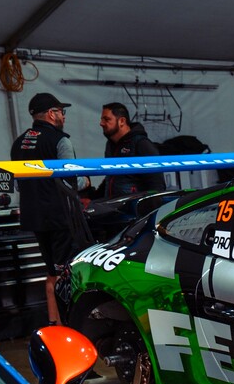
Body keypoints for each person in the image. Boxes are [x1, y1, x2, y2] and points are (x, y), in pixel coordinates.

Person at [10, 92, 91, 326]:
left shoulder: (19, 143)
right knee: (68, 273)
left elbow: (17, 183)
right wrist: (88, 180)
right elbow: (71, 181)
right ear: (51, 114)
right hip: (60, 217)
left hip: (34, 217)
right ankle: (73, 326)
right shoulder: (60, 140)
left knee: (52, 273)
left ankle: (54, 325)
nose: (63, 117)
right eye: (61, 112)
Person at [97, 102, 166, 198]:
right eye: (101, 119)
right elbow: (112, 178)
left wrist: (147, 209)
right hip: (114, 207)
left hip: (134, 209)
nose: (101, 123)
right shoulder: (110, 144)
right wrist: (93, 197)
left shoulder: (142, 144)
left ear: (121, 121)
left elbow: (156, 184)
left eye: (107, 119)